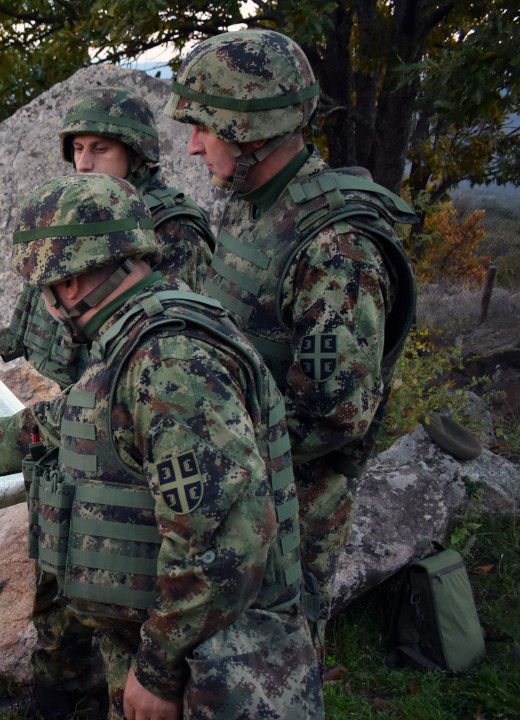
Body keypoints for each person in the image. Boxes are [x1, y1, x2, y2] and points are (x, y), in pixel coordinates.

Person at [0, 174, 321, 719]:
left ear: (70, 286)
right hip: (187, 647)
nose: (47, 307)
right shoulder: (139, 338)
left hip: (216, 668)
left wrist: (157, 671)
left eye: (45, 290)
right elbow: (74, 417)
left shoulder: (170, 363)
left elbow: (227, 539)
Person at [165, 28, 418, 646]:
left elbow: (333, 416)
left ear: (251, 129)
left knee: (266, 675)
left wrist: (206, 444)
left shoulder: (337, 250)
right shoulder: (252, 201)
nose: (194, 148)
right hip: (235, 487)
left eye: (205, 127)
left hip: (287, 513)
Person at [0, 87, 214, 390]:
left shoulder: (173, 227)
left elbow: (175, 340)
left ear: (137, 153)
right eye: (78, 149)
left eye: (100, 149)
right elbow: (44, 288)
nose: (83, 164)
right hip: (66, 396)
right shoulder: (79, 209)